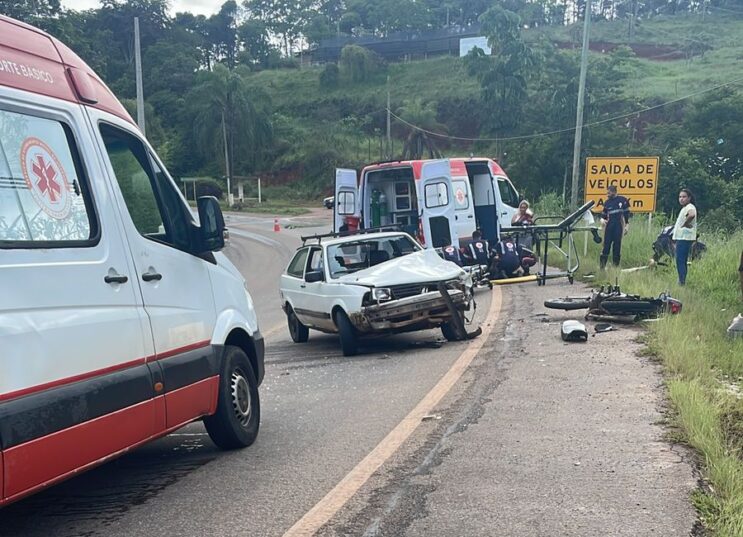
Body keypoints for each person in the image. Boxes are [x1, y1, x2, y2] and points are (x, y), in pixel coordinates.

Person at [599, 185, 630, 269]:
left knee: (617, 247)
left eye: (609, 193)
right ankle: (602, 267)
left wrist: (627, 225)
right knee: (606, 246)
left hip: (618, 226)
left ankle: (615, 267)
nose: (607, 194)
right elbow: (603, 216)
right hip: (609, 226)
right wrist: (602, 220)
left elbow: (626, 214)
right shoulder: (607, 203)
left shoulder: (622, 200)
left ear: (614, 192)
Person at [672, 188, 697, 285]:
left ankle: (681, 281)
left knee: (680, 260)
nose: (681, 199)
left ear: (689, 198)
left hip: (684, 238)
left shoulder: (690, 207)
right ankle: (681, 280)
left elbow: (691, 215)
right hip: (682, 237)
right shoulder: (684, 208)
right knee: (681, 259)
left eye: (684, 197)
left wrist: (686, 223)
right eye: (680, 197)